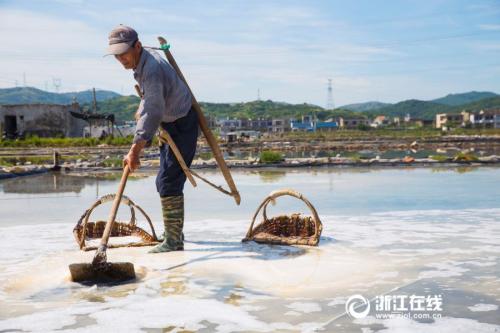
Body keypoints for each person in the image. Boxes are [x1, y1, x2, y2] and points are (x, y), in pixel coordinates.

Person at [106, 25, 198, 253]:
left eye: (124, 53)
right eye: (117, 55)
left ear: (137, 46)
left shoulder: (151, 69)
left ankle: (174, 241)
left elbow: (153, 110)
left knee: (169, 182)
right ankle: (174, 231)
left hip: (181, 124)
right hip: (169, 124)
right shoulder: (142, 61)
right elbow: (150, 104)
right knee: (163, 181)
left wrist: (134, 151)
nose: (121, 59)